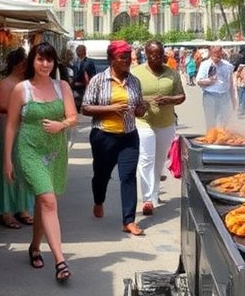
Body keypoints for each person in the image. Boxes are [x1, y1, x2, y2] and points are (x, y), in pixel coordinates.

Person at [3, 42, 78, 284]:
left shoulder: (62, 86)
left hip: (55, 152)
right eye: (40, 59)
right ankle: (60, 261)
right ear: (32, 62)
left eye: (49, 60)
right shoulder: (21, 89)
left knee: (42, 202)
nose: (45, 64)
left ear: (54, 63)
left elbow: (73, 116)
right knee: (48, 199)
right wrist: (7, 160)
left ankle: (35, 246)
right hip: (29, 151)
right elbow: (12, 125)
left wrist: (61, 125)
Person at [82, 41, 147, 235]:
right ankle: (98, 200)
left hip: (129, 136)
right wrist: (111, 109)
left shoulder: (134, 81)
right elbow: (85, 108)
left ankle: (128, 220)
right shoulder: (98, 80)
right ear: (112, 59)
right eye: (122, 57)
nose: (127, 61)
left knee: (128, 176)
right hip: (103, 136)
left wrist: (141, 110)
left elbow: (139, 108)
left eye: (129, 57)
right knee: (101, 175)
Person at [132, 40, 185, 216]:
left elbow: (181, 96)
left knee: (159, 160)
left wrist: (169, 100)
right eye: (152, 54)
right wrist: (145, 101)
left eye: (159, 54)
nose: (156, 57)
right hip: (143, 121)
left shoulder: (172, 73)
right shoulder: (136, 72)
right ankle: (147, 199)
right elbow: (130, 97)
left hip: (166, 122)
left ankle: (155, 193)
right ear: (146, 54)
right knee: (146, 158)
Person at [0, 48, 35, 230]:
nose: (26, 65)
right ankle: (7, 211)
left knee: (24, 168)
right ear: (16, 64)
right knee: (8, 168)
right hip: (10, 129)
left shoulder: (27, 83)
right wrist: (17, 110)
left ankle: (23, 208)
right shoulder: (6, 84)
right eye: (23, 62)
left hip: (25, 130)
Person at [196, 45, 236, 131]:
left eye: (219, 52)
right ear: (210, 52)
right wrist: (209, 81)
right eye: (215, 52)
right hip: (210, 96)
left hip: (224, 96)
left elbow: (231, 84)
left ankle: (223, 140)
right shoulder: (205, 64)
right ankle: (211, 139)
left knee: (226, 121)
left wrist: (233, 99)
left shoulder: (228, 65)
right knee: (211, 122)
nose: (217, 55)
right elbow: (199, 81)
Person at [70, 45, 97, 112]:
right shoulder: (75, 62)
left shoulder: (89, 62)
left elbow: (93, 74)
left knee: (82, 99)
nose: (77, 52)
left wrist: (91, 84)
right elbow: (74, 72)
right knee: (76, 99)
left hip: (85, 84)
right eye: (77, 50)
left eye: (79, 50)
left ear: (84, 51)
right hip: (75, 85)